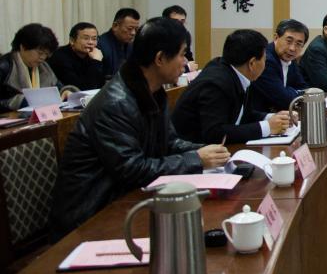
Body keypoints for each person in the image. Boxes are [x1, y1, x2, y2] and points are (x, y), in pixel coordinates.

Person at [51, 18, 230, 237]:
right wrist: (196, 159)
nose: (185, 62)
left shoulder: (153, 90)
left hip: (128, 199)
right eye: (182, 54)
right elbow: (132, 169)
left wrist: (205, 151)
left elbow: (169, 142)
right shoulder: (115, 103)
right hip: (91, 215)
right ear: (160, 58)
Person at [172, 29, 292, 144]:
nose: (265, 64)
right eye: (264, 60)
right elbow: (214, 133)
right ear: (252, 63)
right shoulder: (216, 84)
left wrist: (272, 118)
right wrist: (267, 127)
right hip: (192, 151)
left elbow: (243, 115)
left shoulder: (236, 73)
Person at [250, 19, 309, 113]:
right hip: (260, 116)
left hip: (282, 114)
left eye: (298, 44)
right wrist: (290, 92)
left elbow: (303, 88)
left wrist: (287, 91)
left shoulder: (289, 57)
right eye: (289, 41)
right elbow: (285, 100)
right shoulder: (265, 59)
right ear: (276, 37)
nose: (292, 48)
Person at [0, 24, 64, 110]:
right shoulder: (4, 67)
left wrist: (65, 91)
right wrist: (18, 102)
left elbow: (58, 88)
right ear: (23, 47)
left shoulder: (43, 66)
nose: (43, 57)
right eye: (40, 53)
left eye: (46, 54)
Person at [48, 22, 106, 91]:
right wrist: (96, 62)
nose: (91, 42)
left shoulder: (94, 55)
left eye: (94, 39)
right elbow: (80, 89)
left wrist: (96, 61)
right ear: (72, 40)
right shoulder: (60, 58)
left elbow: (101, 85)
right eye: (86, 38)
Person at [97, 7, 140, 79]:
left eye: (136, 29)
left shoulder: (132, 45)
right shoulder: (100, 45)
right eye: (129, 29)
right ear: (115, 26)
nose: (133, 33)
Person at [162, 5, 198, 71]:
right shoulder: (159, 37)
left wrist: (193, 67)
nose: (179, 24)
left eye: (182, 21)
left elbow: (188, 56)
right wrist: (187, 68)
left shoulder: (186, 35)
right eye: (175, 21)